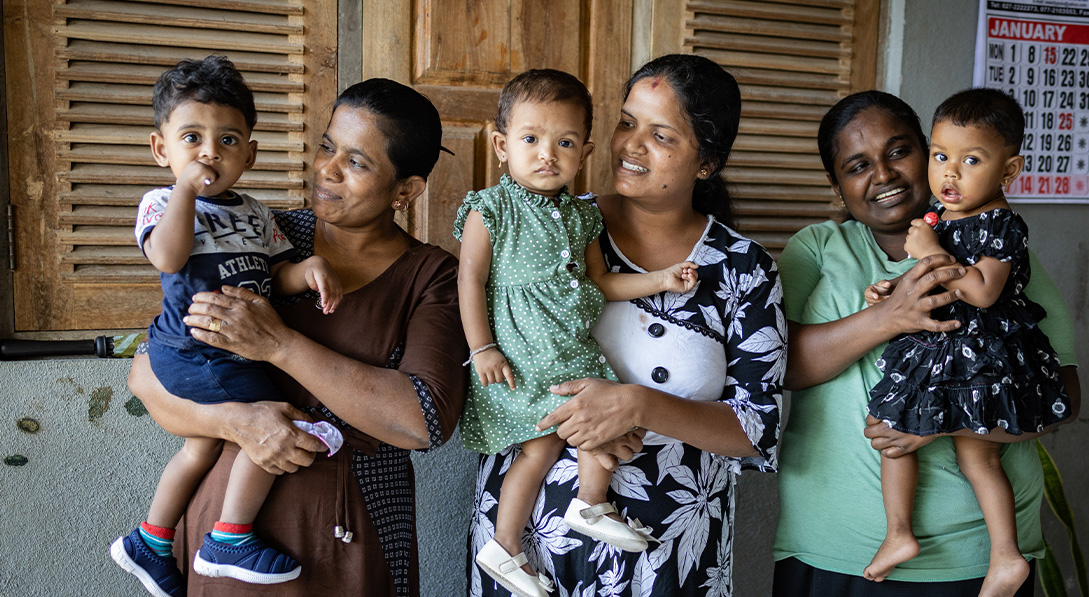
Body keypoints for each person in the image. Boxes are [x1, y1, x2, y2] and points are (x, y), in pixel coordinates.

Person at [126, 77, 468, 597]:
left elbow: (422, 422)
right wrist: (239, 421)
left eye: (357, 162)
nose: (327, 170)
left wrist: (278, 346)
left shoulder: (432, 276)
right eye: (328, 147)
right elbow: (148, 373)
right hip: (225, 532)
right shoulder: (258, 232)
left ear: (406, 190)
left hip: (356, 526)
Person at [467, 54, 784, 597]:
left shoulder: (741, 267)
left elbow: (756, 431)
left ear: (705, 163)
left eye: (661, 135)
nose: (631, 145)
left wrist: (638, 404)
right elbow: (483, 323)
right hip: (530, 546)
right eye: (626, 122)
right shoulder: (547, 220)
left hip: (669, 548)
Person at [772, 90, 1081, 597]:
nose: (885, 175)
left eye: (899, 152)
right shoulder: (818, 248)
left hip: (971, 562)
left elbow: (1063, 399)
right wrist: (889, 316)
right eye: (857, 165)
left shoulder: (996, 259)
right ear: (837, 185)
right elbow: (777, 365)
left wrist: (939, 424)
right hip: (830, 547)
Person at [456, 68, 698, 597]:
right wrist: (482, 347)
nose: (548, 154)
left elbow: (601, 282)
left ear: (584, 153)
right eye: (531, 139)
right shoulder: (491, 209)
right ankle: (506, 544)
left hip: (568, 351)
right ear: (501, 145)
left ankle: (586, 505)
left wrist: (660, 279)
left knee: (592, 421)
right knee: (537, 450)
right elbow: (470, 279)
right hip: (519, 357)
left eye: (564, 142)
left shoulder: (583, 218)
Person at [113, 55, 345, 596]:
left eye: (228, 140)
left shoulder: (258, 213)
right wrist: (186, 194)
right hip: (197, 350)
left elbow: (274, 275)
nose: (210, 152)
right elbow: (169, 259)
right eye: (191, 137)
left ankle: (148, 540)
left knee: (199, 448)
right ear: (160, 148)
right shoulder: (164, 203)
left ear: (251, 153)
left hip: (230, 347)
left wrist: (306, 270)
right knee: (261, 421)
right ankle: (229, 538)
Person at [861, 89, 1070, 594]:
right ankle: (899, 533)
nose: (949, 173)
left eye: (971, 160)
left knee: (978, 456)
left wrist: (931, 250)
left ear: (1008, 170)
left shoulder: (1001, 223)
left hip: (983, 355)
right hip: (936, 346)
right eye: (940, 156)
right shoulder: (938, 216)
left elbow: (982, 291)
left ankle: (1005, 556)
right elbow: (930, 276)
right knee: (888, 431)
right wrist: (892, 289)